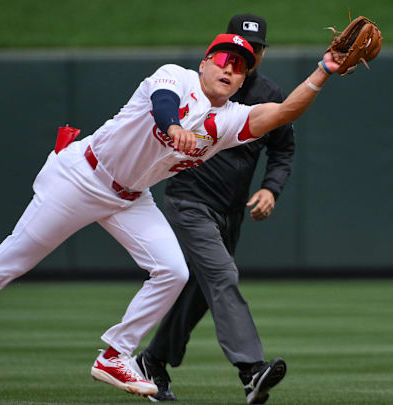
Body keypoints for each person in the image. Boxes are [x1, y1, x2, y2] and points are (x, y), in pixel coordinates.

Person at [0, 30, 342, 398]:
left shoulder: (230, 119)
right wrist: (174, 128)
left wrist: (324, 70)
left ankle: (116, 354)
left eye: (242, 65)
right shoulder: (176, 77)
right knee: (13, 261)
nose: (231, 68)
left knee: (173, 271)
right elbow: (162, 105)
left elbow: (283, 113)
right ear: (205, 62)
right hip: (82, 176)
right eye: (225, 58)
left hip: (130, 197)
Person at [132, 14, 295, 404]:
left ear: (261, 54)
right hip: (190, 200)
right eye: (237, 45)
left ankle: (153, 361)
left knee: (200, 291)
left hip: (231, 211)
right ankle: (251, 371)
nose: (243, 55)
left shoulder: (268, 94)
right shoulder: (202, 87)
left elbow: (283, 149)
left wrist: (271, 189)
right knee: (222, 275)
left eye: (253, 50)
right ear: (220, 46)